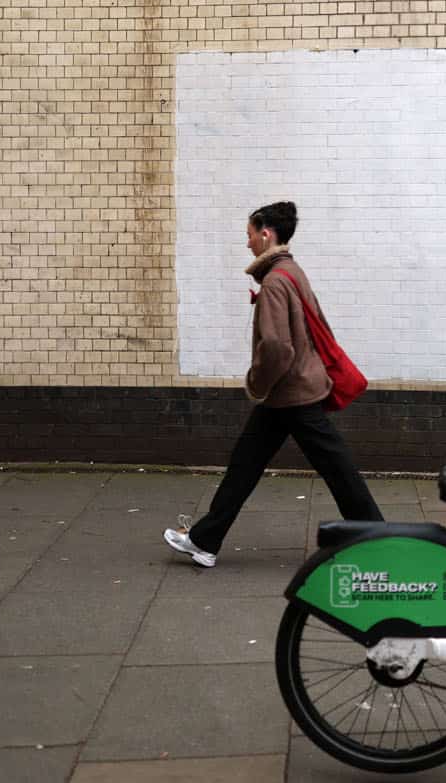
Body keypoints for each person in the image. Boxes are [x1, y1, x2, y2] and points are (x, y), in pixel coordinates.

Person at [164, 201, 382, 567]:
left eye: (249, 234)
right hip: (291, 392)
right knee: (247, 465)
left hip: (291, 393)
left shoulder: (275, 282)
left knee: (335, 468)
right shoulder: (290, 270)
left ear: (266, 235)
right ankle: (205, 540)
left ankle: (378, 538)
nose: (247, 242)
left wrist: (256, 383)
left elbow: (278, 347)